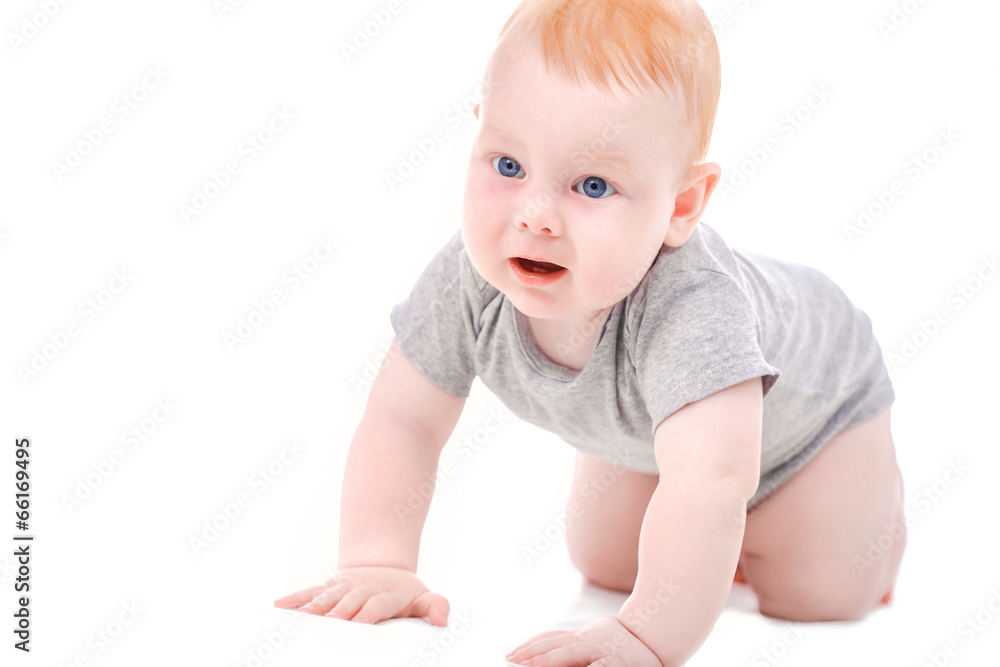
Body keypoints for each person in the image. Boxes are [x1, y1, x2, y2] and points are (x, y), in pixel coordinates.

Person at [275, 1, 907, 664]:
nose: (537, 216)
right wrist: (379, 559)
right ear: (477, 137)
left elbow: (712, 480)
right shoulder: (470, 277)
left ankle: (870, 515)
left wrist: (648, 636)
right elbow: (404, 418)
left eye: (594, 184)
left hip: (820, 416)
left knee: (814, 592)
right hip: (661, 433)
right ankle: (728, 541)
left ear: (682, 205)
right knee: (608, 563)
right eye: (509, 166)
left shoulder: (694, 311)